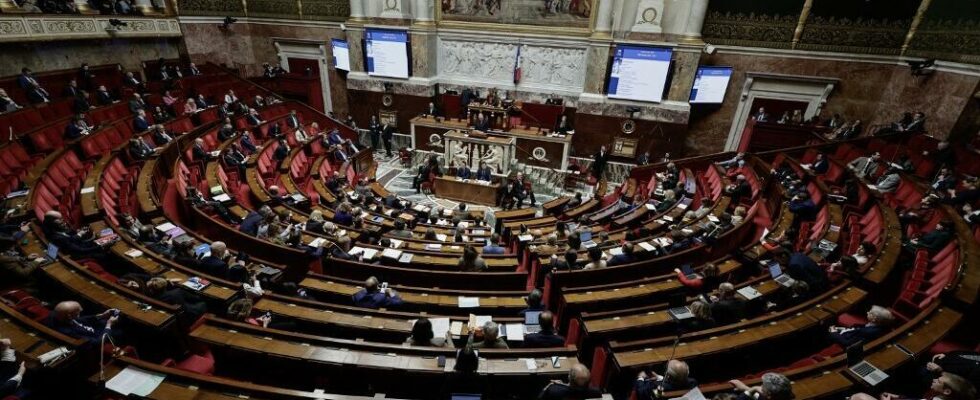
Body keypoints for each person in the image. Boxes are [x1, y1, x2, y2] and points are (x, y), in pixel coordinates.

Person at [45, 301, 121, 346]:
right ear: (69, 315)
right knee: (122, 331)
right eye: (78, 311)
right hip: (100, 337)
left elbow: (79, 320)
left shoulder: (62, 316)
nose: (81, 310)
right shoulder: (70, 332)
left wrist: (101, 315)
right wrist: (109, 325)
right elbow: (97, 342)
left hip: (91, 328)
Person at [827, 305, 894, 347]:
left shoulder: (867, 332)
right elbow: (857, 329)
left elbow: (846, 343)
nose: (867, 312)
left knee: (825, 330)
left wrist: (833, 332)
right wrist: (842, 329)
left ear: (874, 319)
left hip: (841, 340)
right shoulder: (878, 326)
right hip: (848, 332)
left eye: (870, 313)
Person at [729, 372, 793, 400]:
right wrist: (745, 388)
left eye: (763, 385)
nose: (761, 386)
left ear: (769, 396)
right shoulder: (783, 397)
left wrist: (752, 389)